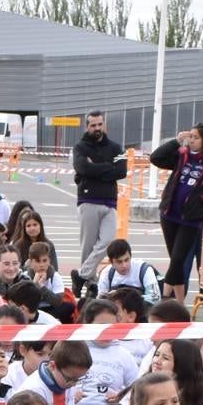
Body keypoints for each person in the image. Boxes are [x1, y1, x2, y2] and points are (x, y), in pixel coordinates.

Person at [146, 123, 203, 299]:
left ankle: (166, 298)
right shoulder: (182, 155)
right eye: (190, 136)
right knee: (177, 261)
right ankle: (179, 304)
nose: (191, 140)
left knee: (177, 260)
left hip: (191, 218)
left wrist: (202, 197)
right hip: (169, 214)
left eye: (196, 137)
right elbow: (156, 158)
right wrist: (176, 141)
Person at [71, 110, 128, 279]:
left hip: (110, 202)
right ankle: (89, 282)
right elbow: (82, 168)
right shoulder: (80, 147)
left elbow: (121, 171)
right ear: (87, 127)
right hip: (88, 200)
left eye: (100, 124)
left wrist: (95, 168)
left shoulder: (116, 147)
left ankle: (81, 276)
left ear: (105, 125)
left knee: (108, 242)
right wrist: (107, 167)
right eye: (93, 125)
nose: (97, 128)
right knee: (88, 247)